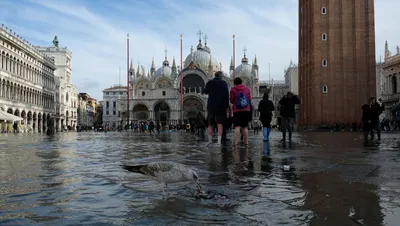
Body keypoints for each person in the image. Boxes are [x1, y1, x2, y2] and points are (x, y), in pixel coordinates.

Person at [203, 71, 230, 147]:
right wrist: (226, 107)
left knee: (210, 124)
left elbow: (205, 92)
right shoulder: (224, 83)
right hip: (221, 106)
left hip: (211, 106)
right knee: (220, 124)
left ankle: (209, 141)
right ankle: (218, 142)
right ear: (221, 76)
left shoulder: (210, 82)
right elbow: (226, 95)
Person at [230, 77, 252, 147]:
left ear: (235, 83)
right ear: (241, 82)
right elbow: (249, 99)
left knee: (237, 126)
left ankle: (235, 143)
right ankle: (246, 143)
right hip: (246, 110)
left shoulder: (233, 89)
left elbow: (232, 100)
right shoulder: (247, 89)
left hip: (237, 110)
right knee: (245, 127)